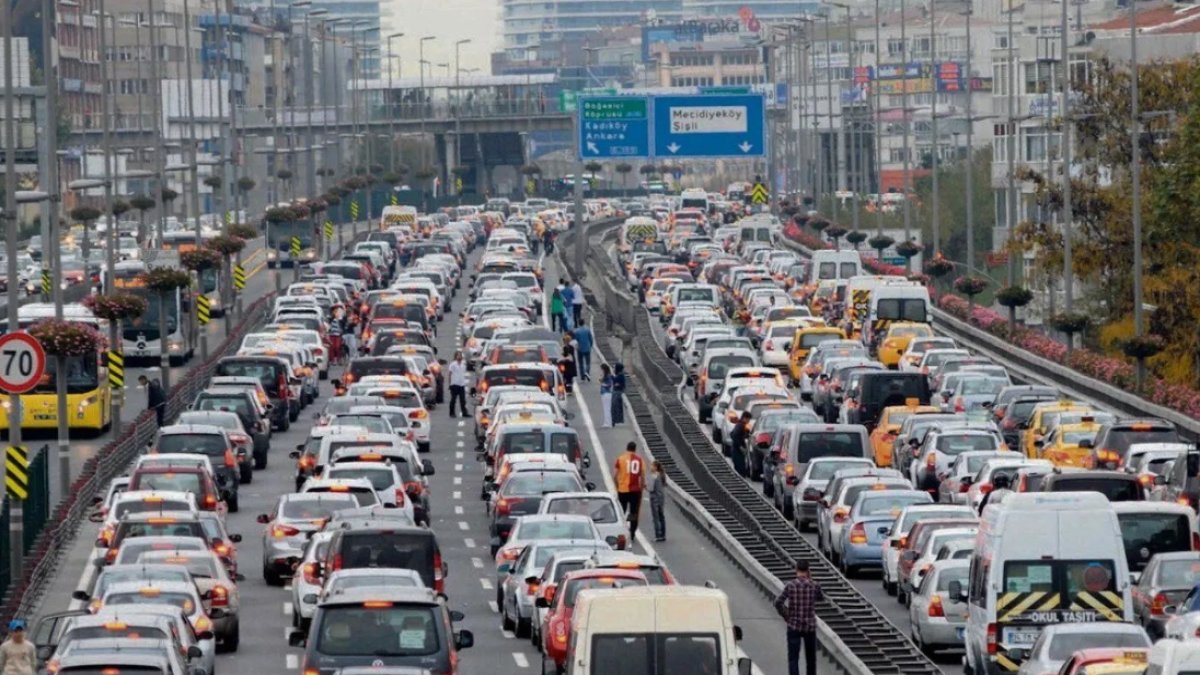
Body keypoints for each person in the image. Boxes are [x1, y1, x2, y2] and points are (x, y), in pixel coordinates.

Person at [775, 561, 823, 675]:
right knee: (811, 659)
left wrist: (786, 615)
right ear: (808, 570)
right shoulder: (814, 585)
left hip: (794, 626)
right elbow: (821, 598)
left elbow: (778, 602)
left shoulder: (790, 585)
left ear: (796, 569)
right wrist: (811, 579)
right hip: (809, 627)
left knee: (793, 658)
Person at [614, 441, 645, 542]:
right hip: (635, 490)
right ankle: (632, 533)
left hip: (622, 490)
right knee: (634, 512)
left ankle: (622, 530)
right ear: (635, 449)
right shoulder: (640, 460)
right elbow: (642, 476)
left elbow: (615, 475)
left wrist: (617, 486)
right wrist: (641, 488)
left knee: (621, 511)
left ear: (627, 448)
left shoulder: (620, 459)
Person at [648, 460, 667, 542]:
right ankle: (663, 534)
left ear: (655, 467)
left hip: (654, 498)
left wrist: (645, 486)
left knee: (656, 517)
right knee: (661, 516)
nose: (650, 467)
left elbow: (650, 488)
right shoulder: (661, 475)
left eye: (652, 465)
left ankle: (658, 535)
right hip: (661, 498)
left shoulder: (653, 476)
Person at [447, 350, 469, 418]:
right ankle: (452, 413)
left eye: (460, 355)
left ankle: (464, 412)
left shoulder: (463, 365)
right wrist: (450, 384)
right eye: (458, 355)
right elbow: (450, 374)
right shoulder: (453, 364)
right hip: (454, 384)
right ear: (455, 356)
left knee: (463, 400)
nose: (459, 356)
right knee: (453, 399)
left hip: (461, 384)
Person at [729, 411, 751, 476]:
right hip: (737, 451)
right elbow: (734, 435)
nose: (749, 421)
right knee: (741, 470)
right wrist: (740, 446)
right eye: (748, 419)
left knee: (739, 469)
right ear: (745, 418)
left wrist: (746, 434)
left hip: (736, 450)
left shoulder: (740, 425)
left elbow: (733, 434)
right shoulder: (740, 425)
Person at [573, 317, 594, 381]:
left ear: (579, 323)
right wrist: (591, 345)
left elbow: (575, 340)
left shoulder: (576, 331)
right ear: (584, 323)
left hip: (580, 348)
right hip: (587, 348)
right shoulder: (587, 330)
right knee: (588, 362)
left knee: (581, 363)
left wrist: (576, 347)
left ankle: (582, 376)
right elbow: (591, 339)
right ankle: (587, 372)